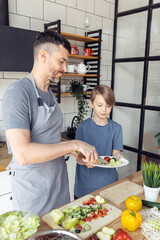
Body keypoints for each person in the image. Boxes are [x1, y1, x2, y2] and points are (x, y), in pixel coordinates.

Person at [2, 30, 98, 216]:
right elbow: (22, 153)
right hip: (34, 193)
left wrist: (74, 152)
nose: (65, 68)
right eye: (61, 61)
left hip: (59, 187)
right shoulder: (18, 93)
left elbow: (50, 140)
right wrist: (74, 143)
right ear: (43, 56)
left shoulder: (50, 94)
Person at [74, 85, 123, 199]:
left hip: (109, 186)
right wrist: (86, 162)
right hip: (84, 188)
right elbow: (78, 158)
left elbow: (115, 154)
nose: (104, 110)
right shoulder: (82, 128)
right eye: (99, 105)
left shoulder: (116, 128)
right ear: (91, 103)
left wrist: (118, 157)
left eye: (108, 106)